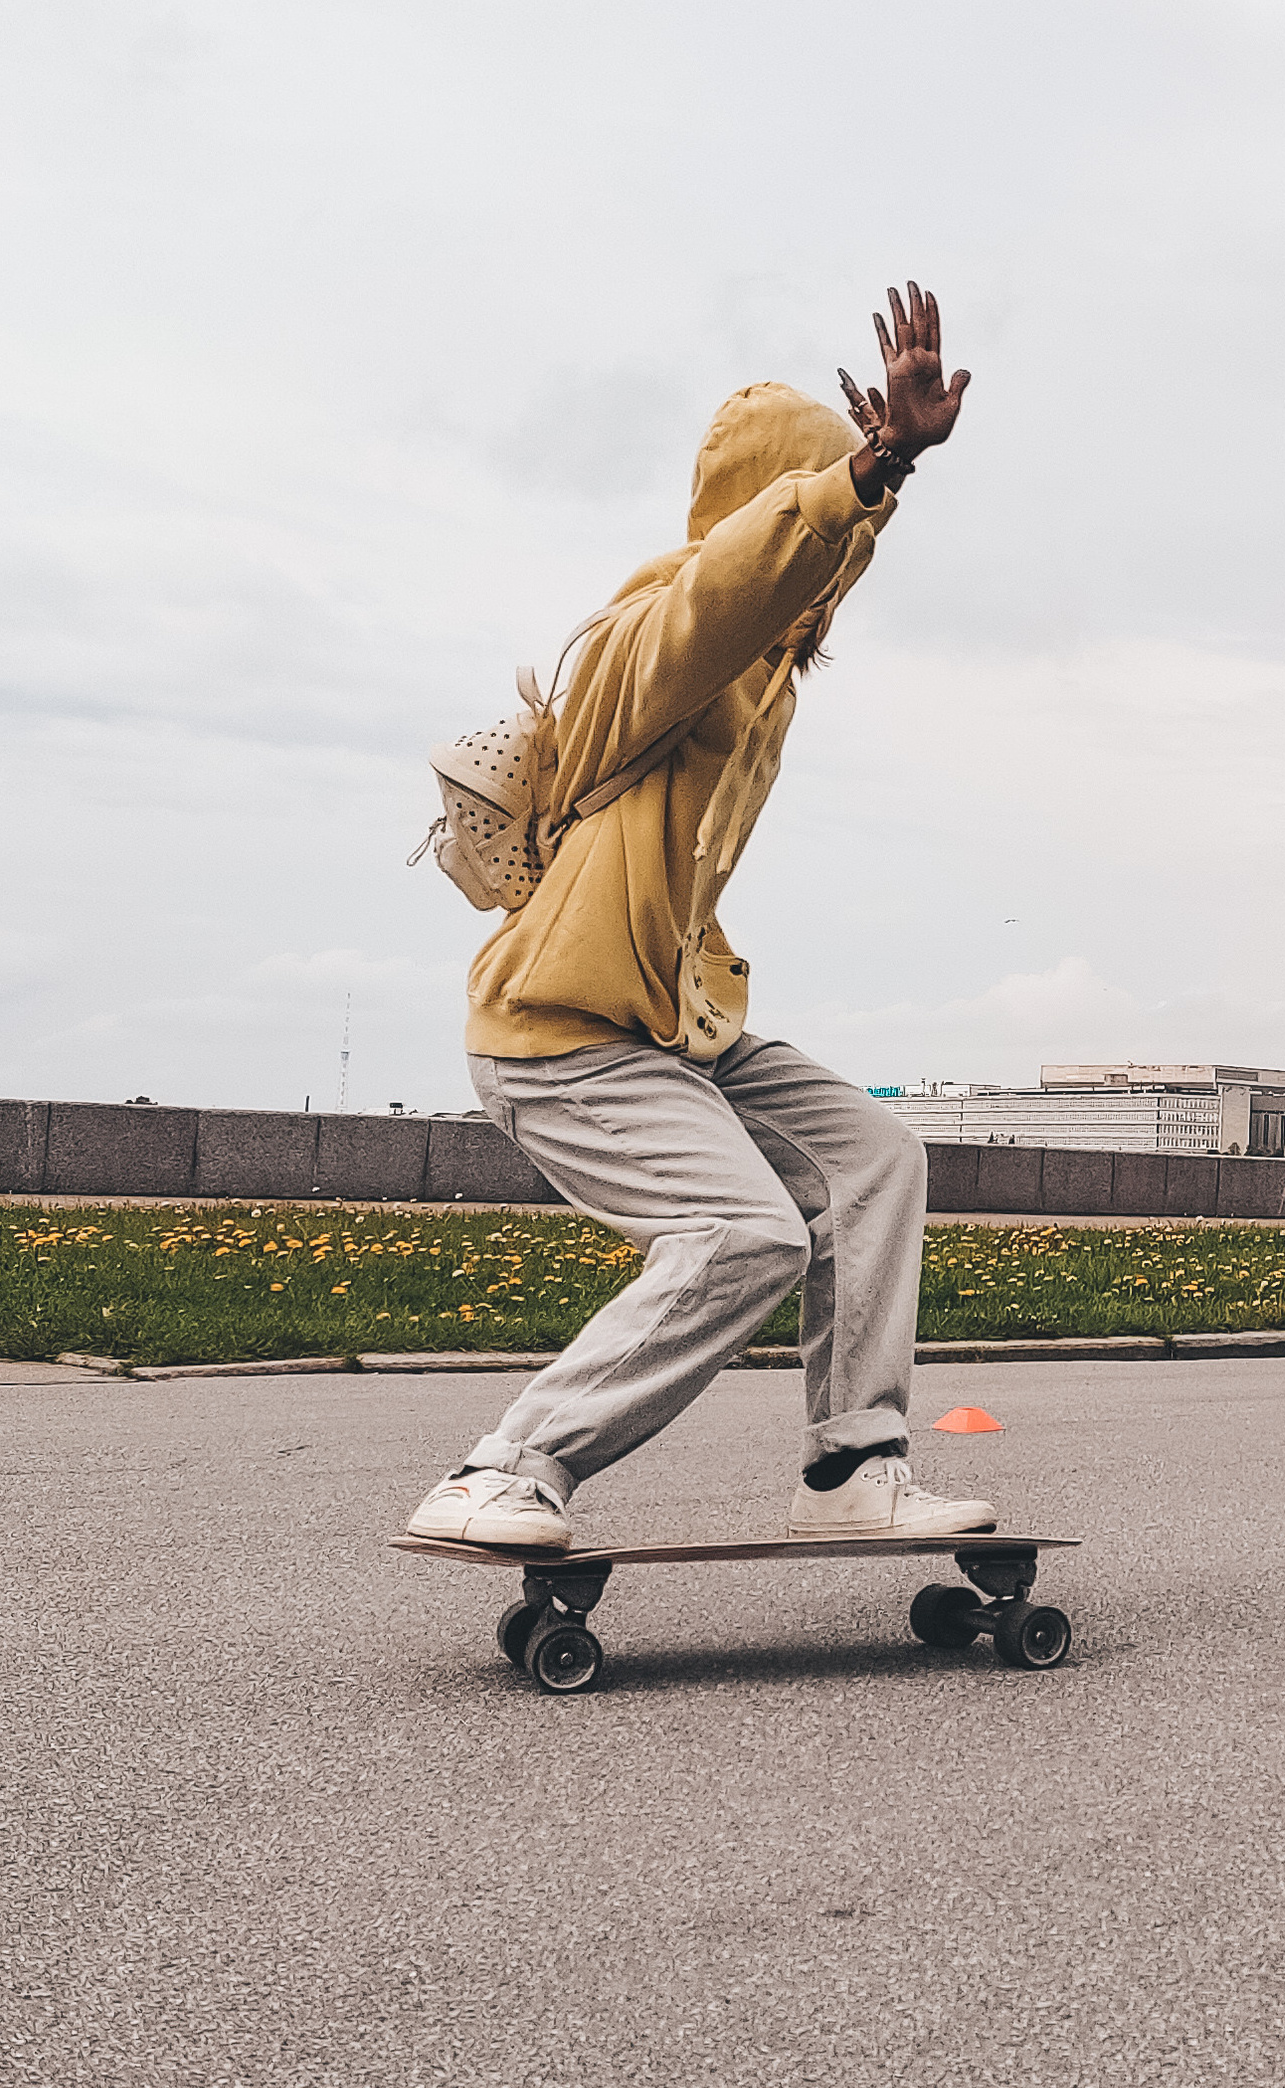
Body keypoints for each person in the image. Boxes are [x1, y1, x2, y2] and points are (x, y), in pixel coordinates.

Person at [406, 281, 991, 1554]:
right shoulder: (647, 638)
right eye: (820, 495)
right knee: (742, 1236)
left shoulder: (771, 661)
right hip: (560, 1033)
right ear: (768, 513)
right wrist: (871, 461)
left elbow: (793, 580)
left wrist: (881, 487)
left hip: (670, 1024)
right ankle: (507, 1467)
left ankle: (853, 1469)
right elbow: (732, 583)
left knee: (875, 1160)